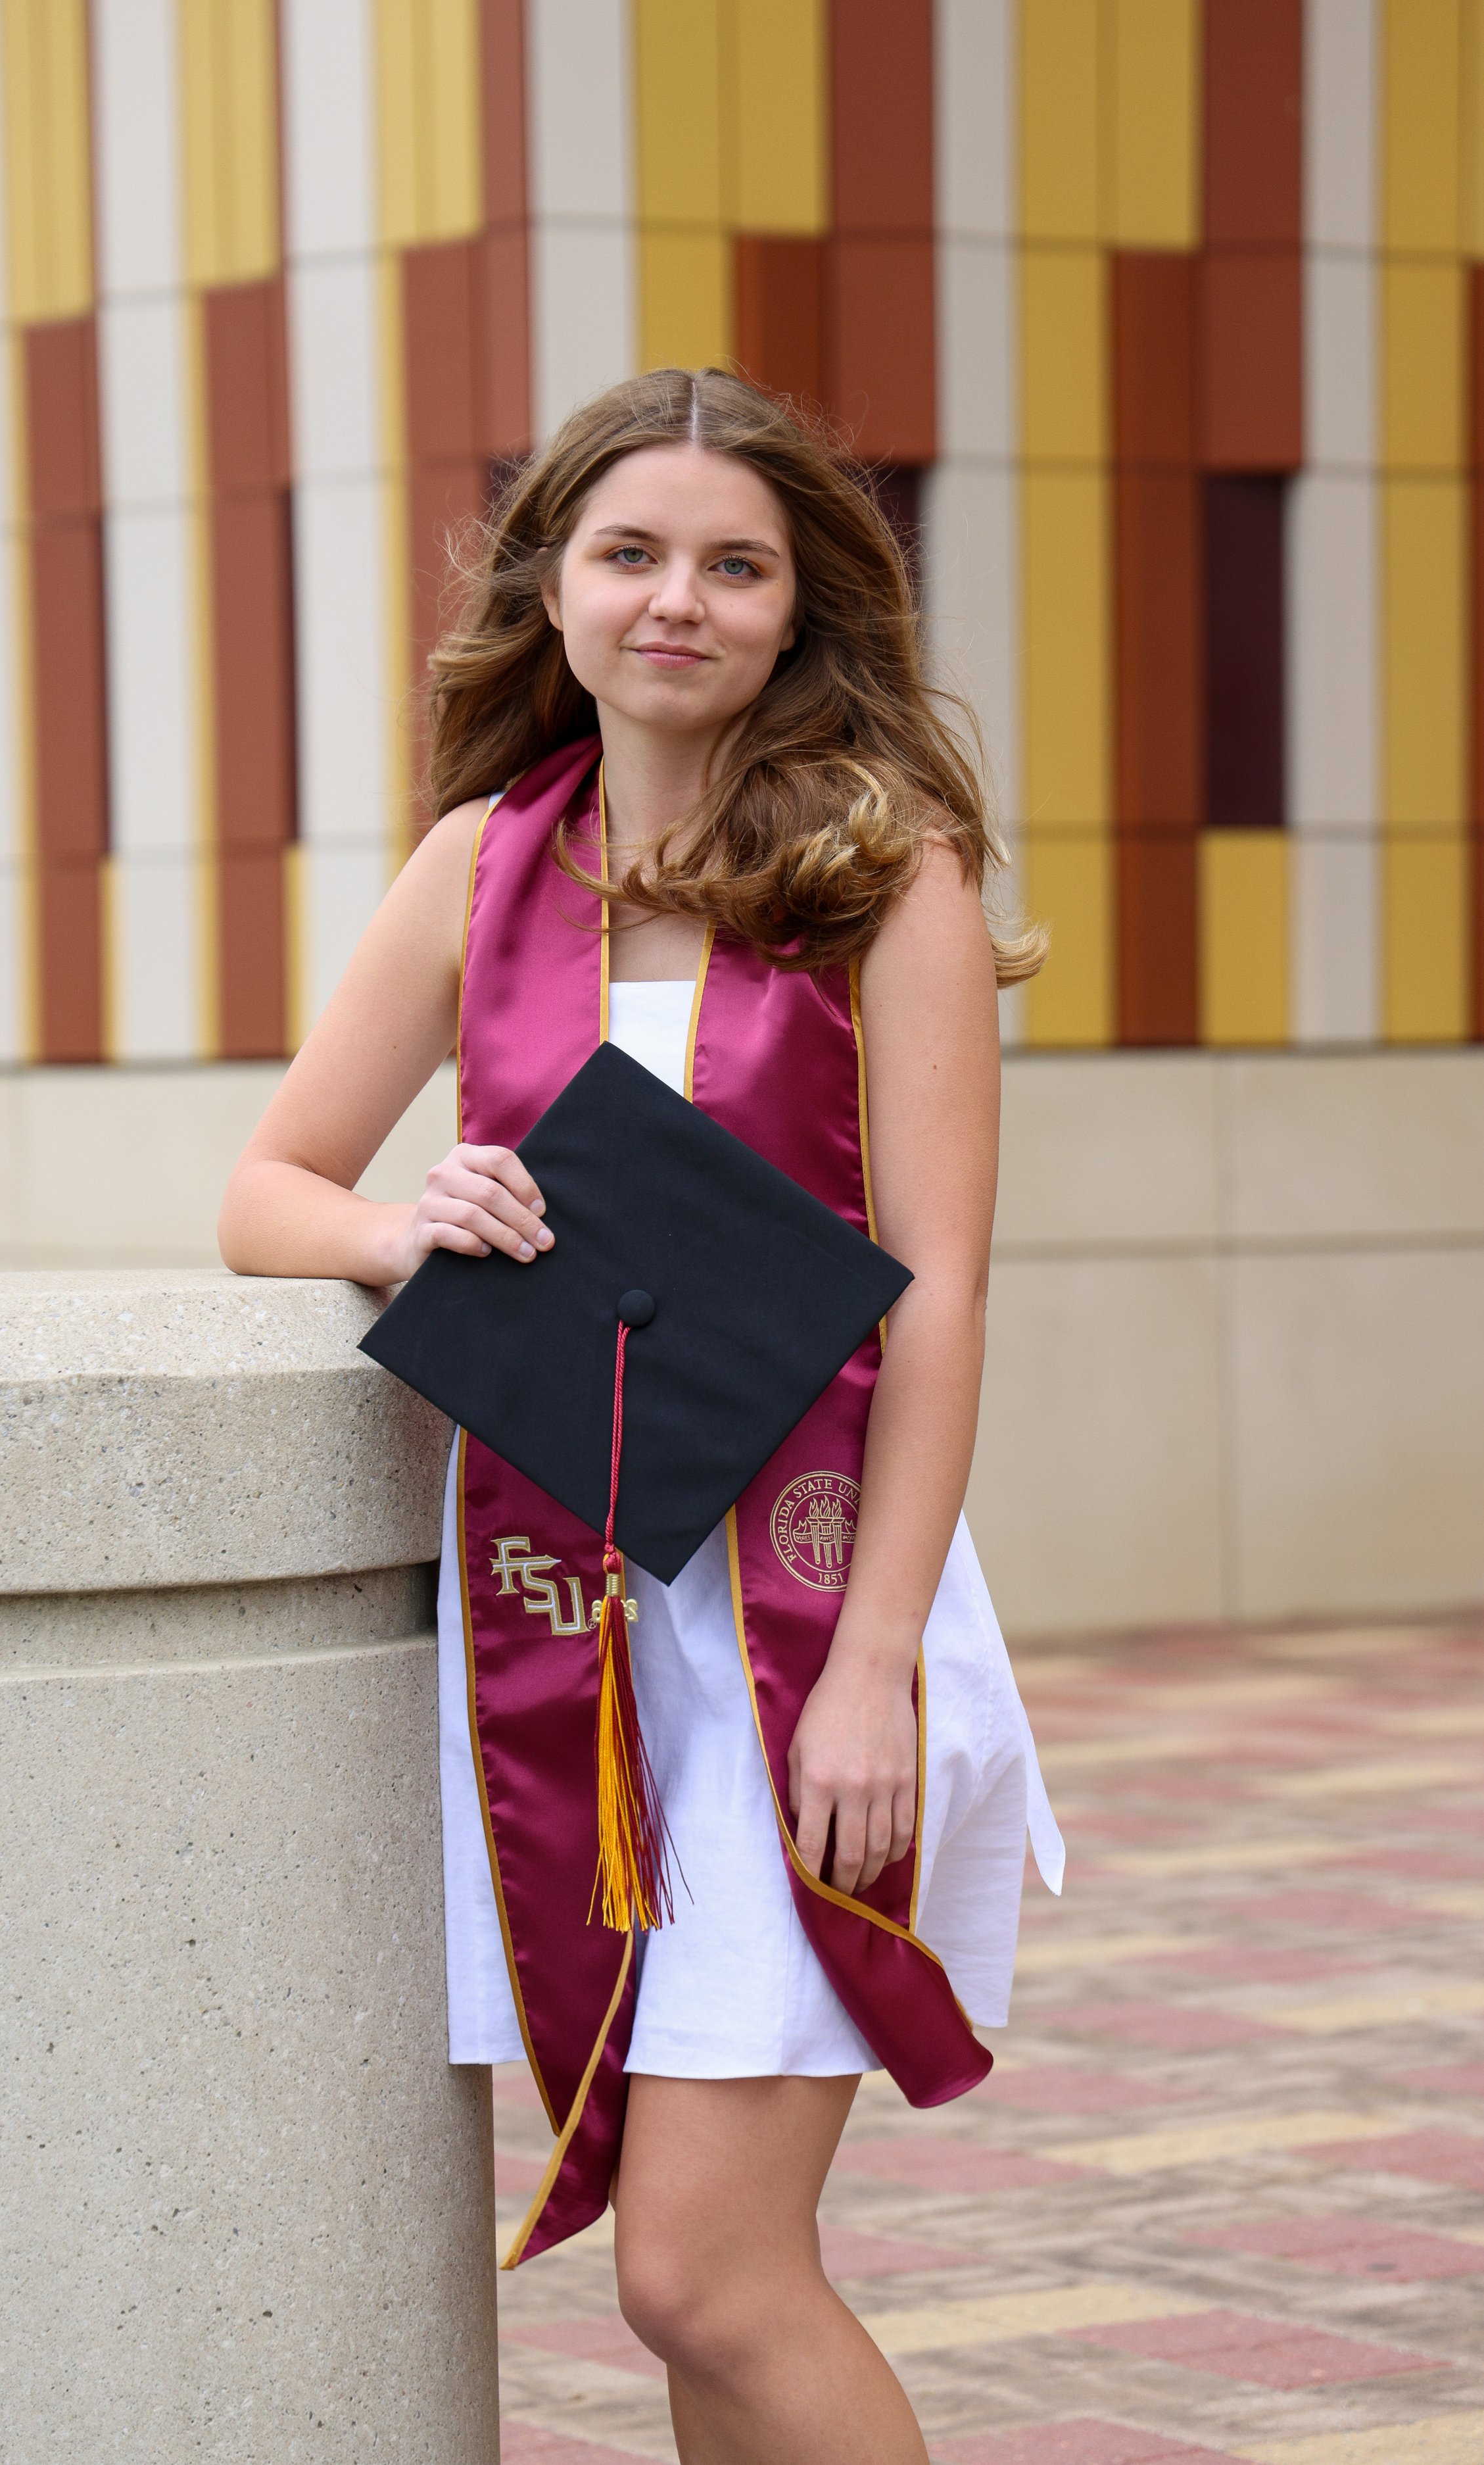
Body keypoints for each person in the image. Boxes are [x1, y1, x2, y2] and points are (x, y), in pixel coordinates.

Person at [219, 368, 1061, 2465]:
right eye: (630, 551)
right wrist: (406, 1224)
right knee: (681, 2304)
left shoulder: (892, 874)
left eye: (732, 562)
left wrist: (873, 1669)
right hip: (575, 1636)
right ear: (559, 587)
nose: (674, 597)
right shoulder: (483, 867)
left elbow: (939, 1286)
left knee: (705, 2267)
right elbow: (264, 1188)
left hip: (807, 1618)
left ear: (799, 610)